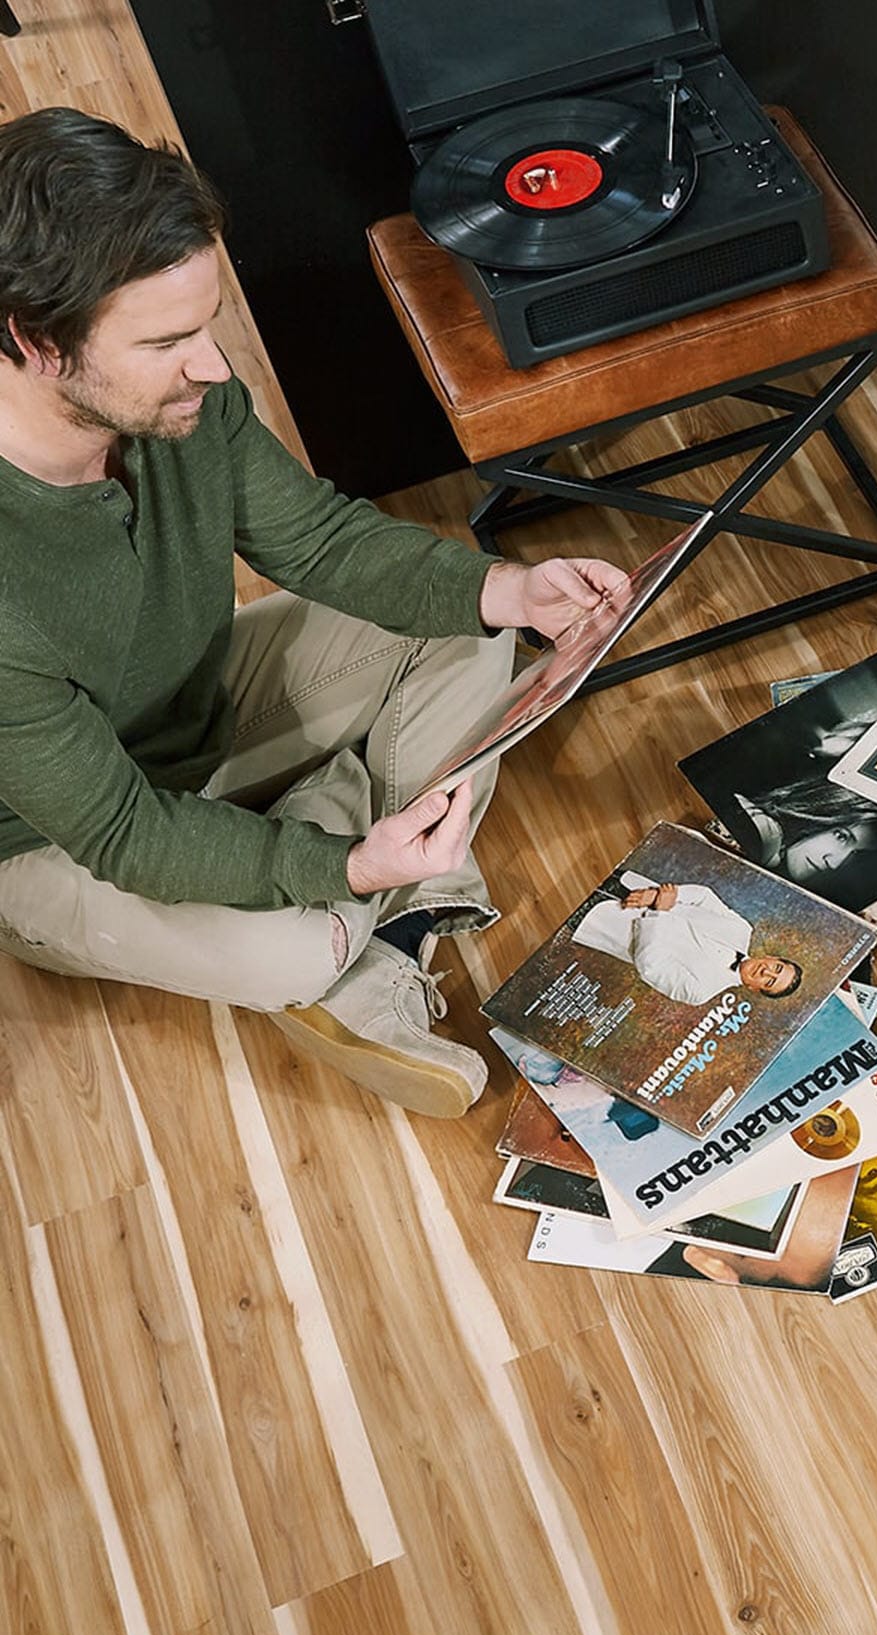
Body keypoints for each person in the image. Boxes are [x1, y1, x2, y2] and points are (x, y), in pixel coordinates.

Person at [0, 108, 627, 1116]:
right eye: (168, 340)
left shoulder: (167, 394)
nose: (211, 364)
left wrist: (507, 591)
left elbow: (321, 542)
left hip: (194, 709)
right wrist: (337, 858)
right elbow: (119, 827)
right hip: (54, 841)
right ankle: (381, 911)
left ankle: (367, 898)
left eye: (208, 323)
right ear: (38, 344)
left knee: (475, 623)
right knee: (288, 945)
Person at [570, 877, 802, 1007]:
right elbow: (704, 896)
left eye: (769, 981)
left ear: (755, 988)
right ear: (772, 958)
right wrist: (658, 895)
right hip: (628, 883)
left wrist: (660, 911)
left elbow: (651, 965)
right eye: (777, 968)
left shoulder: (700, 992)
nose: (767, 971)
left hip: (600, 918)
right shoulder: (742, 929)